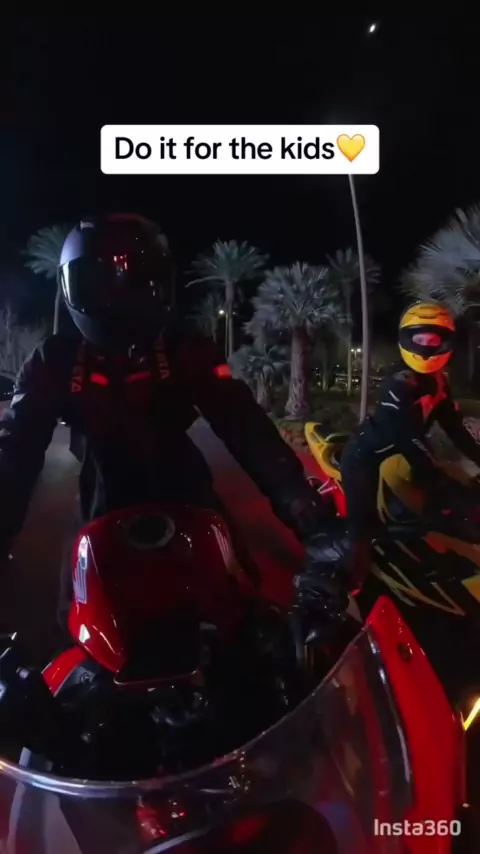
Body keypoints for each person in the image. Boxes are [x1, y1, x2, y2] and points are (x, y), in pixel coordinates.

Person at [0, 213, 348, 628]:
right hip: (103, 496)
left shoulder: (185, 348)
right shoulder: (54, 359)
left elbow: (246, 426)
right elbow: (15, 452)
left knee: (239, 608)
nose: (121, 295)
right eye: (103, 281)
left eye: (135, 278)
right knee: (80, 621)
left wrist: (307, 511)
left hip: (186, 493)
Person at [339, 301, 480, 592]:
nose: (426, 347)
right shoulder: (399, 383)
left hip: (400, 455)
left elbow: (454, 428)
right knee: (361, 530)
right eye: (420, 340)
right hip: (364, 457)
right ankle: (352, 585)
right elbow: (408, 437)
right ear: (407, 340)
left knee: (431, 505)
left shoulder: (439, 382)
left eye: (433, 340)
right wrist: (439, 478)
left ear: (446, 342)